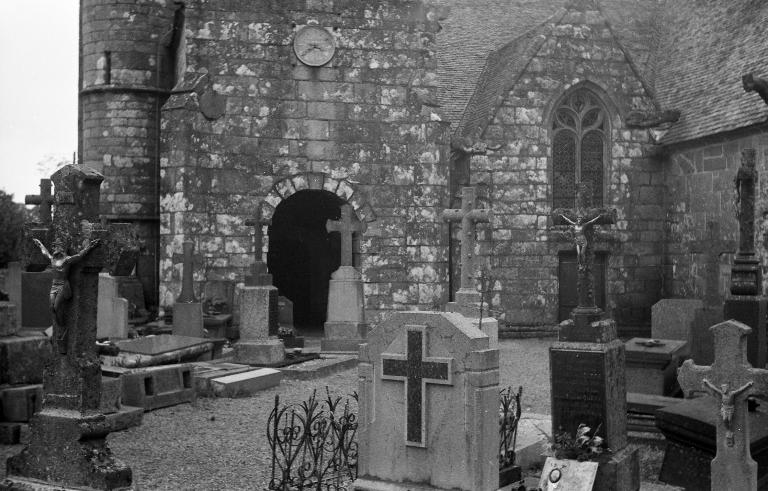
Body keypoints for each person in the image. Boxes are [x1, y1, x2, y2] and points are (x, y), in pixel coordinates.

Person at [32, 237, 101, 353]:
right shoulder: (52, 259)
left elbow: (80, 255)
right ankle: (61, 327)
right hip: (54, 286)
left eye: (58, 246)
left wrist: (90, 246)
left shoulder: (67, 260)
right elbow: (45, 252)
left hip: (63, 286)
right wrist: (40, 244)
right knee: (52, 308)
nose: (55, 248)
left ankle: (63, 329)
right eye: (55, 246)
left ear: (62, 249)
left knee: (56, 306)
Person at [703, 379, 753, 447]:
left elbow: (740, 390)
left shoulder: (732, 393)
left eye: (724, 388)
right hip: (724, 408)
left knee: (729, 419)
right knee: (724, 419)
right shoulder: (721, 393)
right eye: (722, 388)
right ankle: (728, 429)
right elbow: (714, 388)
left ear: (727, 388)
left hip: (730, 408)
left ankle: (731, 430)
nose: (723, 390)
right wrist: (707, 383)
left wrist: (747, 385)